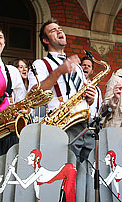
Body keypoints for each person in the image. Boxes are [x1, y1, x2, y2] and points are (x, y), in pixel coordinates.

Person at [28, 19, 96, 161]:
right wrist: (58, 71)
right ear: (45, 40)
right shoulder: (40, 64)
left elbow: (86, 97)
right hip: (62, 124)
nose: (59, 31)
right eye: (53, 30)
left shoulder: (77, 66)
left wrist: (91, 98)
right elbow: (34, 94)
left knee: (84, 169)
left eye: (60, 29)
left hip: (83, 122)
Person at [69, 55, 103, 162]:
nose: (86, 67)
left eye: (89, 66)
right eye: (84, 65)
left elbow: (99, 109)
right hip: (75, 124)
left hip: (91, 126)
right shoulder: (72, 84)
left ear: (92, 70)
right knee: (73, 157)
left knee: (90, 159)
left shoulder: (97, 89)